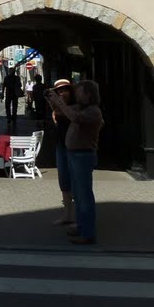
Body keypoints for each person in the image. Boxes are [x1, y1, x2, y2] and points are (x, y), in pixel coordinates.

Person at [48, 79, 104, 245]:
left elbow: (73, 116)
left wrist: (60, 103)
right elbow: (61, 112)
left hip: (83, 156)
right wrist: (53, 100)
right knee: (79, 195)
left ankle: (88, 234)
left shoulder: (93, 111)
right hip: (75, 155)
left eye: (79, 91)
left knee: (84, 195)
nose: (76, 94)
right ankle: (80, 226)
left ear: (88, 93)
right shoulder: (81, 107)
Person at [47, 79, 75, 226]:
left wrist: (60, 105)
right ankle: (68, 214)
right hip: (61, 145)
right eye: (59, 91)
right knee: (63, 179)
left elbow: (72, 117)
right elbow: (56, 119)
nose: (63, 93)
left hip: (74, 146)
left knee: (75, 180)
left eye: (65, 90)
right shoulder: (58, 107)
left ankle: (78, 215)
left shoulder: (75, 107)